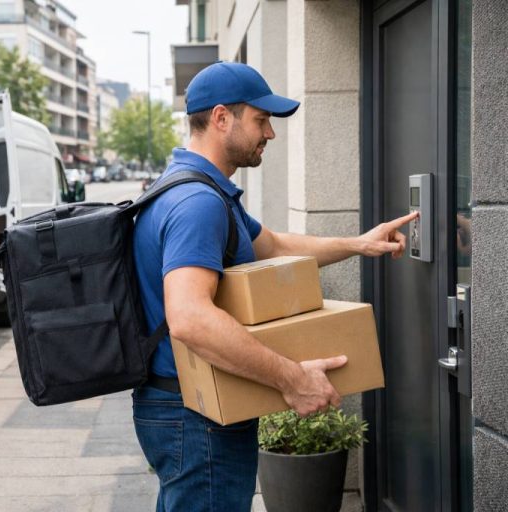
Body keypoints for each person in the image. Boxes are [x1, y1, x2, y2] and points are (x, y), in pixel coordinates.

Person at [131, 61, 418, 512]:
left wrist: (359, 244)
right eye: (261, 120)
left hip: (188, 411)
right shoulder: (197, 204)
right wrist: (292, 379)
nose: (271, 134)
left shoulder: (199, 191)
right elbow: (189, 318)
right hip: (195, 417)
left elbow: (275, 244)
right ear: (222, 118)